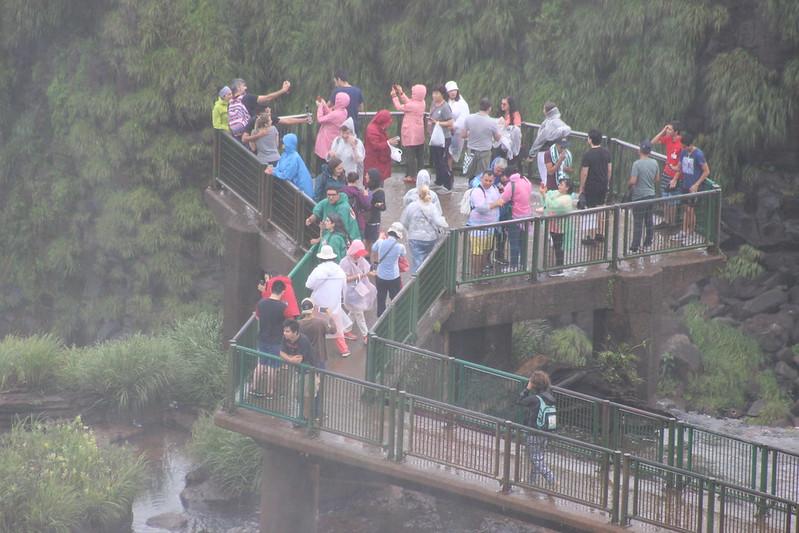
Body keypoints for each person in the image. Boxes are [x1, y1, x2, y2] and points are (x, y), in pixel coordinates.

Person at [306, 245, 351, 358]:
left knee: (316, 327)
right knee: (337, 328)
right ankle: (344, 349)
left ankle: (315, 350)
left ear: (321, 257)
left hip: (319, 304)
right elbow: (344, 287)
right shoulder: (340, 271)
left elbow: (309, 285)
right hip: (334, 306)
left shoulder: (318, 270)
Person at [515, 370, 558, 488]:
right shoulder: (550, 398)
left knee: (535, 458)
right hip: (545, 433)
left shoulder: (534, 399)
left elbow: (519, 401)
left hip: (534, 432)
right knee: (538, 457)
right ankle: (531, 482)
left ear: (534, 384)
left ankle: (552, 479)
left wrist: (527, 389)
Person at [278, 318, 319, 427]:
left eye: (287, 331)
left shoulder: (303, 340)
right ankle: (308, 413)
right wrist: (290, 359)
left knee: (307, 395)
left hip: (309, 371)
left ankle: (304, 417)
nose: (285, 333)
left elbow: (298, 359)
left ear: (295, 333)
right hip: (298, 371)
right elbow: (281, 352)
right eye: (284, 331)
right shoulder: (285, 339)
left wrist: (289, 358)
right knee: (296, 393)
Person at [400, 185, 449, 274]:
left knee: (417, 260)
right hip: (430, 238)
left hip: (414, 238)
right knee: (427, 260)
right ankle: (426, 280)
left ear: (418, 194)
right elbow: (438, 222)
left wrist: (410, 231)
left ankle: (415, 281)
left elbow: (405, 221)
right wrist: (444, 222)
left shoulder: (412, 206)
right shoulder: (432, 207)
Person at [671, 133, 710, 243]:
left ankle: (691, 234)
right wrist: (673, 170)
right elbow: (680, 166)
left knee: (691, 211)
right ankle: (683, 231)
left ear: (690, 145)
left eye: (684, 146)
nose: (683, 148)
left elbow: (706, 171)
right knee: (685, 209)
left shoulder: (698, 154)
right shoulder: (683, 152)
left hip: (693, 187)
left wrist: (697, 184)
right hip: (685, 184)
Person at [253, 279, 288, 399]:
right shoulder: (283, 307)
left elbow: (257, 317)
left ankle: (254, 388)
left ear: (271, 289)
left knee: (261, 363)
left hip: (262, 337)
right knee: (272, 366)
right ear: (282, 292)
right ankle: (270, 391)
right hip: (275, 340)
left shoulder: (261, 303)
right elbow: (288, 323)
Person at [339, 239, 377, 344]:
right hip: (351, 293)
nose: (359, 256)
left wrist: (371, 272)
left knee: (354, 311)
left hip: (360, 291)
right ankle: (365, 335)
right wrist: (361, 275)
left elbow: (367, 269)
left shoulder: (361, 260)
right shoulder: (345, 262)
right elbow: (345, 278)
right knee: (359, 314)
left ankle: (346, 330)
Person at [467, 171, 504, 279]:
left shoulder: (494, 188)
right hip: (478, 228)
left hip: (490, 227)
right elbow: (481, 208)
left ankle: (482, 270)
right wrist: (495, 204)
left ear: (493, 181)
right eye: (485, 180)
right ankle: (477, 274)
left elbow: (498, 199)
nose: (487, 183)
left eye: (490, 181)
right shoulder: (477, 191)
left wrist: (500, 201)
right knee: (477, 252)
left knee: (485, 250)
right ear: (481, 179)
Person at [579, 128, 612, 246]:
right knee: (601, 208)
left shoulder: (588, 155)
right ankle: (600, 233)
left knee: (591, 209)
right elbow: (609, 169)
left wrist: (581, 188)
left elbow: (584, 173)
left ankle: (591, 236)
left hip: (591, 186)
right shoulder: (606, 152)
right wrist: (607, 182)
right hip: (603, 184)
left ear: (590, 139)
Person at [526, 102, 571, 187]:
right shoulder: (561, 123)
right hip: (556, 153)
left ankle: (547, 196)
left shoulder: (548, 124)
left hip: (544, 153)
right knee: (554, 177)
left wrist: (531, 154)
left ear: (546, 111)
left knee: (545, 177)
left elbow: (539, 140)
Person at [627, 141, 659, 253]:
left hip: (639, 196)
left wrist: (629, 184)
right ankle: (647, 243)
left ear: (640, 150)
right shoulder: (654, 162)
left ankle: (635, 246)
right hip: (651, 195)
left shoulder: (637, 164)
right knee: (649, 219)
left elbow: (633, 180)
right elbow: (656, 179)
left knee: (638, 222)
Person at [391, 84, 427, 183]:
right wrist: (401, 93)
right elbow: (410, 102)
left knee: (410, 154)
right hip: (419, 132)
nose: (412, 94)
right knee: (419, 155)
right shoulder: (422, 102)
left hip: (411, 132)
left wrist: (395, 97)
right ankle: (420, 174)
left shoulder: (412, 105)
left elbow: (399, 107)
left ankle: (411, 175)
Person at [540, 179, 575, 276]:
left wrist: (544, 195)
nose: (559, 186)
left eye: (561, 185)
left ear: (567, 188)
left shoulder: (567, 199)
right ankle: (558, 267)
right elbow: (547, 201)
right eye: (559, 184)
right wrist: (545, 193)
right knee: (556, 246)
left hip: (560, 226)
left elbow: (552, 204)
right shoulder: (557, 193)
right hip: (553, 224)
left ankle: (560, 268)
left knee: (559, 246)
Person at [499, 171, 533, 271]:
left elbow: (503, 198)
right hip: (527, 216)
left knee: (514, 243)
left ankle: (514, 266)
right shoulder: (526, 180)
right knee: (523, 242)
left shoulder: (511, 184)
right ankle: (522, 265)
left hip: (515, 216)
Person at [264, 133, 314, 198]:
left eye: (284, 143)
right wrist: (272, 169)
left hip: (303, 192)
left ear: (288, 144)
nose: (282, 144)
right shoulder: (284, 154)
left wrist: (273, 172)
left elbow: (287, 176)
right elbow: (279, 168)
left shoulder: (294, 158)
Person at [461, 98, 501, 178]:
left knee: (470, 175)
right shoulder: (492, 122)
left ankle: (471, 189)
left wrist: (470, 134)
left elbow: (463, 135)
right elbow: (497, 138)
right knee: (482, 176)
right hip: (484, 152)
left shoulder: (469, 118)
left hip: (471, 151)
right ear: (489, 108)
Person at [373, 222, 407, 316]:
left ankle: (380, 320)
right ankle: (397, 317)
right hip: (394, 277)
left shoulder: (380, 242)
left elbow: (373, 248)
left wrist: (380, 238)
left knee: (381, 299)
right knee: (395, 299)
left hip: (380, 276)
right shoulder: (400, 247)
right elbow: (404, 255)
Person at [315, 92, 350, 173]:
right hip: (332, 141)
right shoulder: (344, 111)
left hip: (325, 141)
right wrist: (324, 106)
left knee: (323, 165)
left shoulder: (336, 114)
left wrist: (320, 108)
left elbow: (320, 119)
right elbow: (332, 114)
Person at [428, 85, 454, 194]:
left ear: (442, 95)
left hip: (444, 138)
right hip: (434, 137)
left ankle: (448, 185)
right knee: (436, 160)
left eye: (437, 93)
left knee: (443, 161)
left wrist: (437, 123)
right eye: (433, 93)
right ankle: (438, 181)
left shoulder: (445, 107)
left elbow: (450, 123)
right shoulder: (433, 104)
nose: (434, 95)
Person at [298, 298, 336, 371]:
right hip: (319, 356)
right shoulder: (320, 322)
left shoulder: (298, 324)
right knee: (319, 377)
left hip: (305, 357)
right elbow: (333, 330)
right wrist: (330, 316)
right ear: (313, 308)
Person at [363, 109, 396, 182]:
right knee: (374, 180)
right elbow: (375, 145)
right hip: (374, 159)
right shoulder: (372, 130)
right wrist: (388, 143)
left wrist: (389, 141)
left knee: (380, 179)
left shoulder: (378, 127)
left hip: (379, 159)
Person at [330, 70, 365, 134]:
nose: (335, 85)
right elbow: (362, 108)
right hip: (354, 124)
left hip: (341, 125)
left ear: (339, 79)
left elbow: (327, 107)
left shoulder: (337, 92)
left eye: (335, 82)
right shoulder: (357, 91)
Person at [445, 81, 470, 173]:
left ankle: (449, 170)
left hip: (456, 132)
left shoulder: (462, 103)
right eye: (450, 90)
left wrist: (454, 126)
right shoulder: (445, 102)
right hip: (445, 130)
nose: (453, 92)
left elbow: (464, 116)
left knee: (452, 153)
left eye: (455, 90)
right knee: (445, 152)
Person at [494, 96, 523, 167]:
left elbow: (517, 127)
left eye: (504, 104)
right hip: (500, 141)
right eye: (501, 104)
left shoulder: (514, 114)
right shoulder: (500, 114)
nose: (502, 106)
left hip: (510, 141)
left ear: (509, 105)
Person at [364, 169, 386, 257]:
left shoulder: (380, 191)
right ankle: (367, 258)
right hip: (366, 219)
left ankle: (376, 262)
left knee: (375, 241)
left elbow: (383, 207)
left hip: (374, 220)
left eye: (367, 175)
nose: (365, 176)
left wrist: (378, 205)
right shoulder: (367, 187)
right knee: (367, 240)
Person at [342, 171, 370, 237]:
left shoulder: (341, 191)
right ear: (357, 181)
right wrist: (366, 196)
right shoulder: (358, 193)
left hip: (344, 221)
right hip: (358, 222)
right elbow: (367, 206)